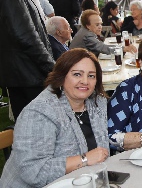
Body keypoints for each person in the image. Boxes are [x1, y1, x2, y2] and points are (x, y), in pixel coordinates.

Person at [0, 49, 110, 188]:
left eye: (91, 76)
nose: (85, 81)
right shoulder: (40, 112)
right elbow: (33, 171)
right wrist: (85, 159)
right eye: (77, 74)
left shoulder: (96, 103)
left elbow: (103, 145)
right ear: (62, 76)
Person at [0, 0, 55, 119]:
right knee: (39, 131)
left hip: (21, 75)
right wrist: (52, 68)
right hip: (29, 76)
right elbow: (25, 35)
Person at [70, 10, 136, 56]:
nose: (100, 27)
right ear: (88, 26)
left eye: (101, 24)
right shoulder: (87, 35)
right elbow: (102, 48)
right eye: (97, 25)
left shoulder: (85, 31)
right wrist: (123, 48)